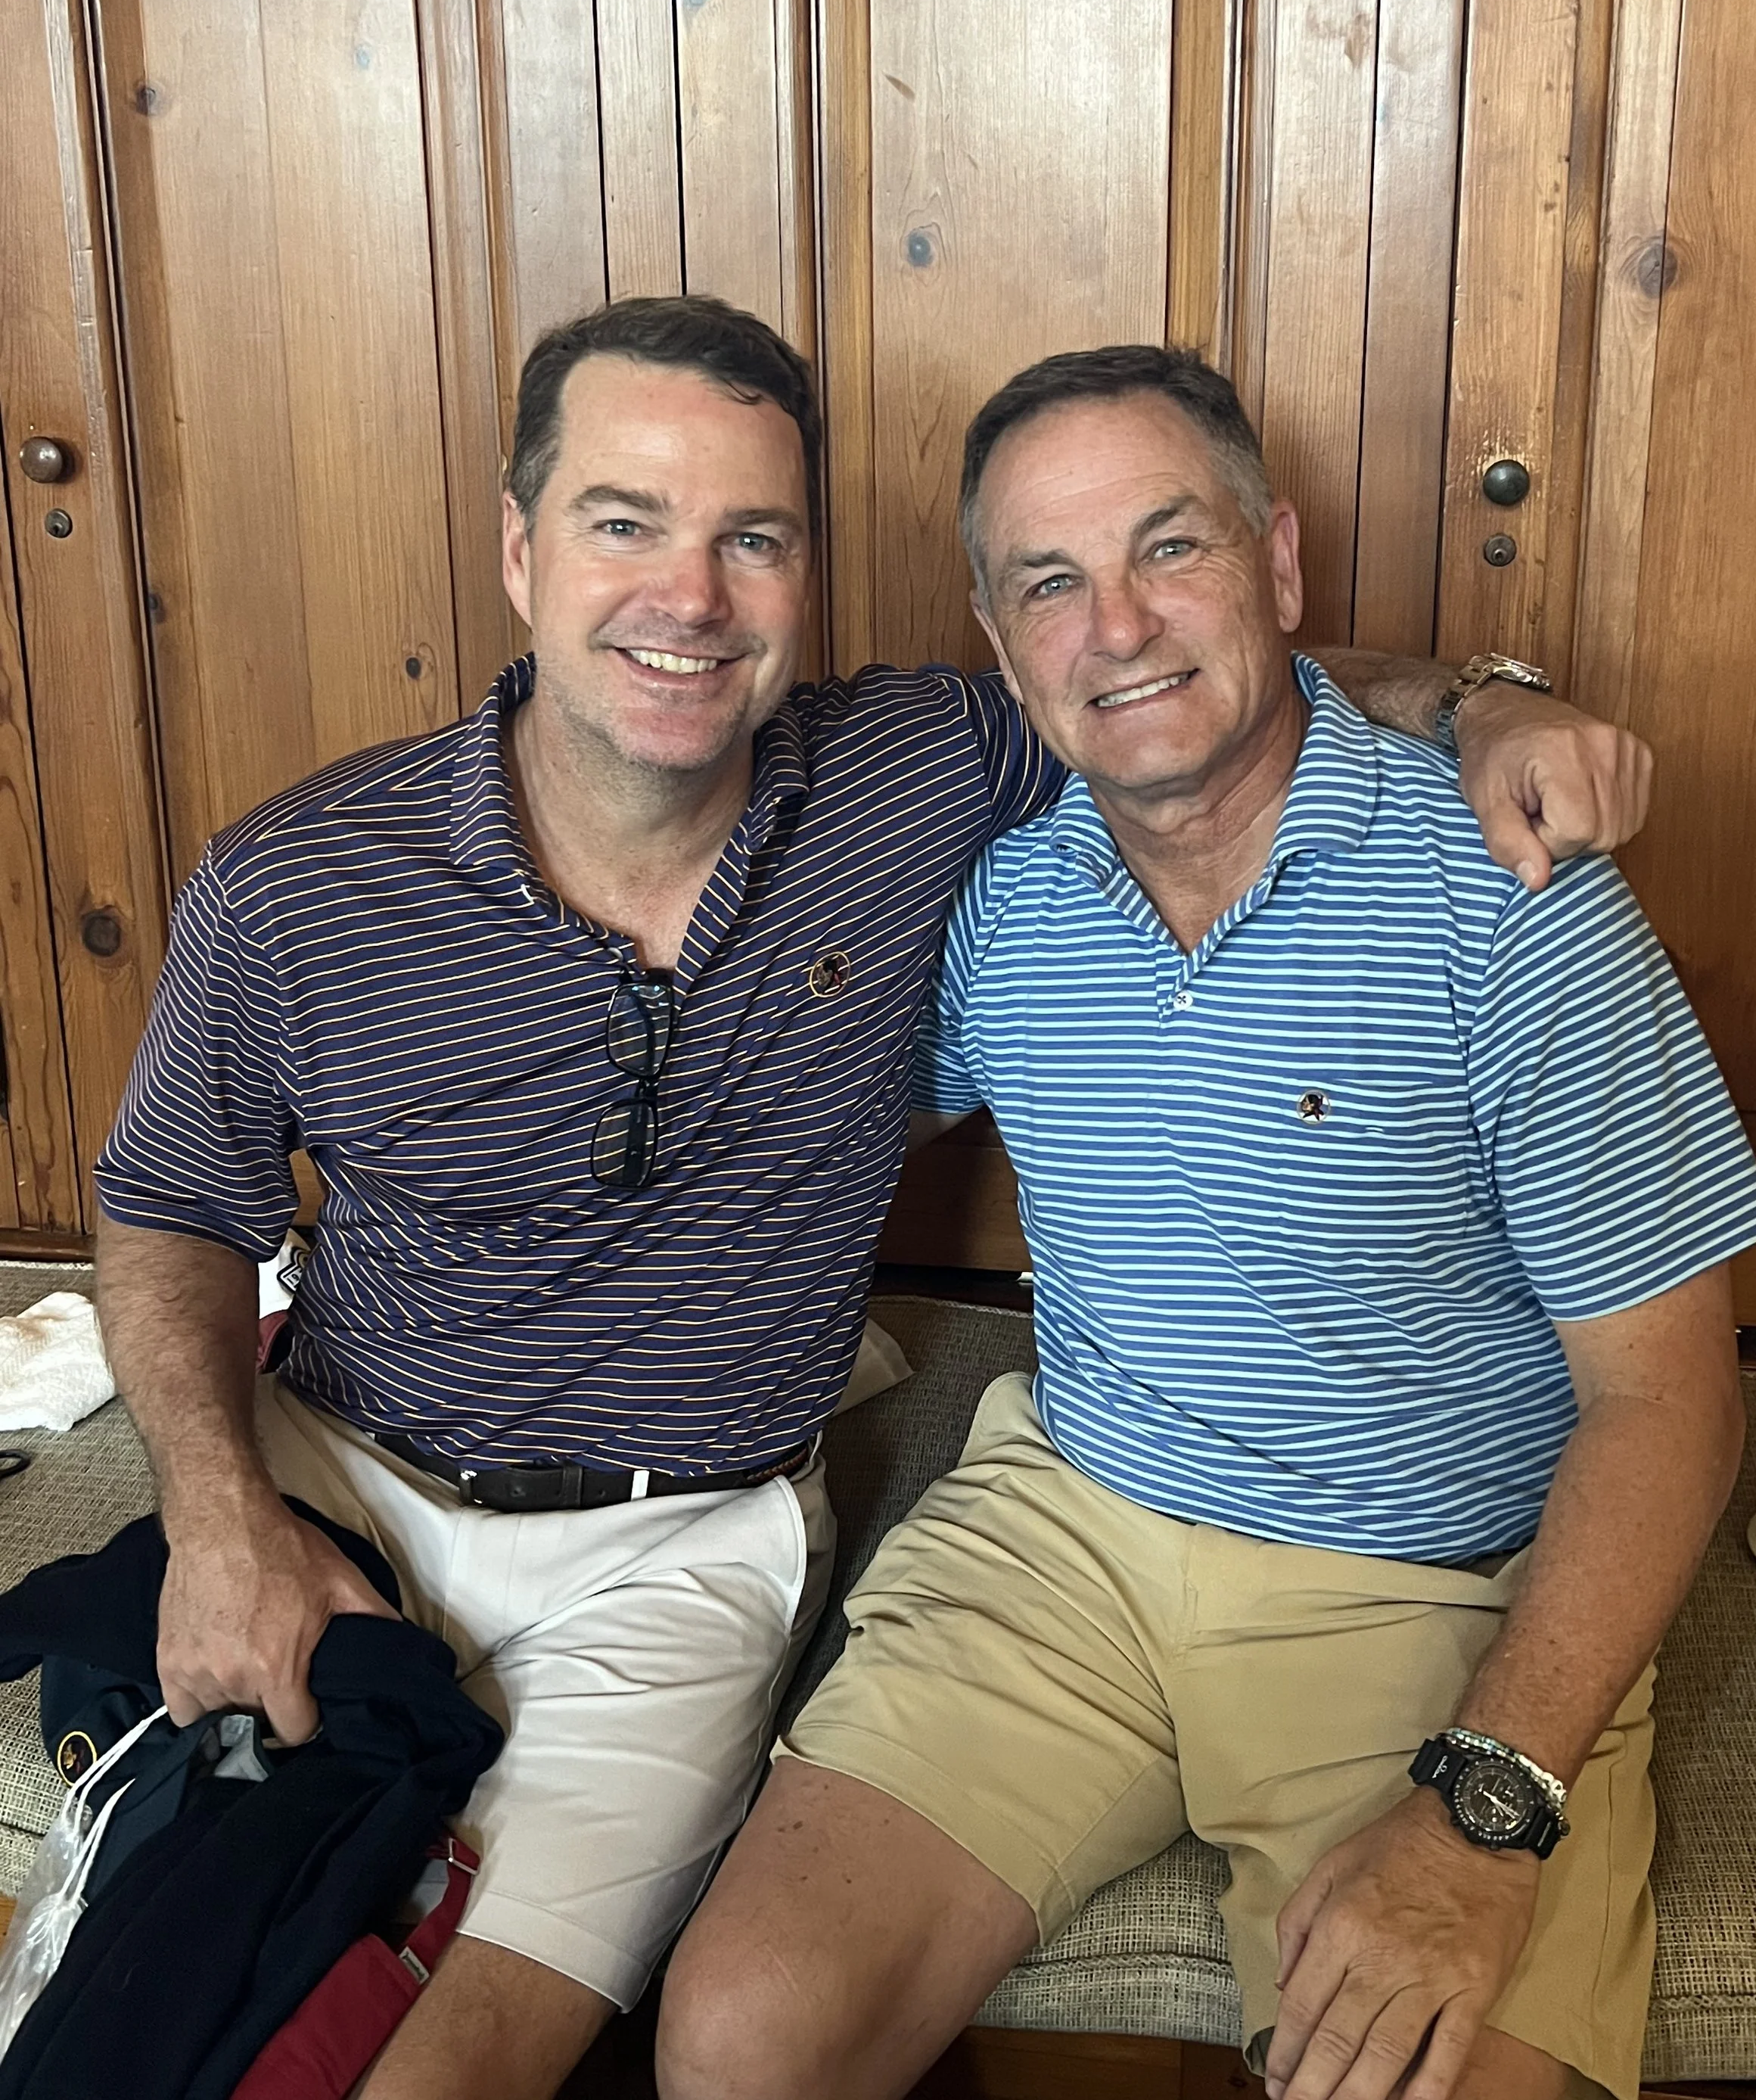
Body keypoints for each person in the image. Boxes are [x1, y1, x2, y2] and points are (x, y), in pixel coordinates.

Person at [92, 300, 1649, 2100]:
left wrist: (1484, 701)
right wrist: (216, 1516)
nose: (688, 597)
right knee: (166, 1993)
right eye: (622, 522)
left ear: (806, 577)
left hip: (680, 1551)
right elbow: (165, 1208)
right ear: (517, 549)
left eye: (748, 538)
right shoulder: (300, 881)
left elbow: (1184, 676)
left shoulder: (924, 775)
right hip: (338, 1472)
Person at [660, 345, 1756, 2100]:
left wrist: (1486, 1808)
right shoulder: (997, 887)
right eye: (1051, 581)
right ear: (999, 633)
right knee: (740, 2035)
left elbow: (1670, 1396)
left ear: (1278, 561)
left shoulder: (1511, 894)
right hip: (1067, 1536)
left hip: (1417, 1587)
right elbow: (763, 1090)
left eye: (1167, 548)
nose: (1114, 625)